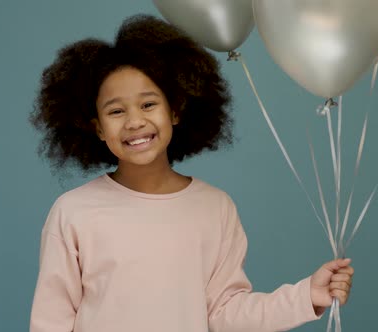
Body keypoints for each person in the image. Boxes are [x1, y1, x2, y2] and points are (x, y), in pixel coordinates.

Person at [29, 14, 354, 332]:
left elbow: (225, 313)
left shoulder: (215, 208)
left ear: (175, 110)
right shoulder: (73, 213)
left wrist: (305, 297)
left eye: (148, 104)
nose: (134, 122)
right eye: (116, 111)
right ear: (97, 128)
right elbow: (51, 320)